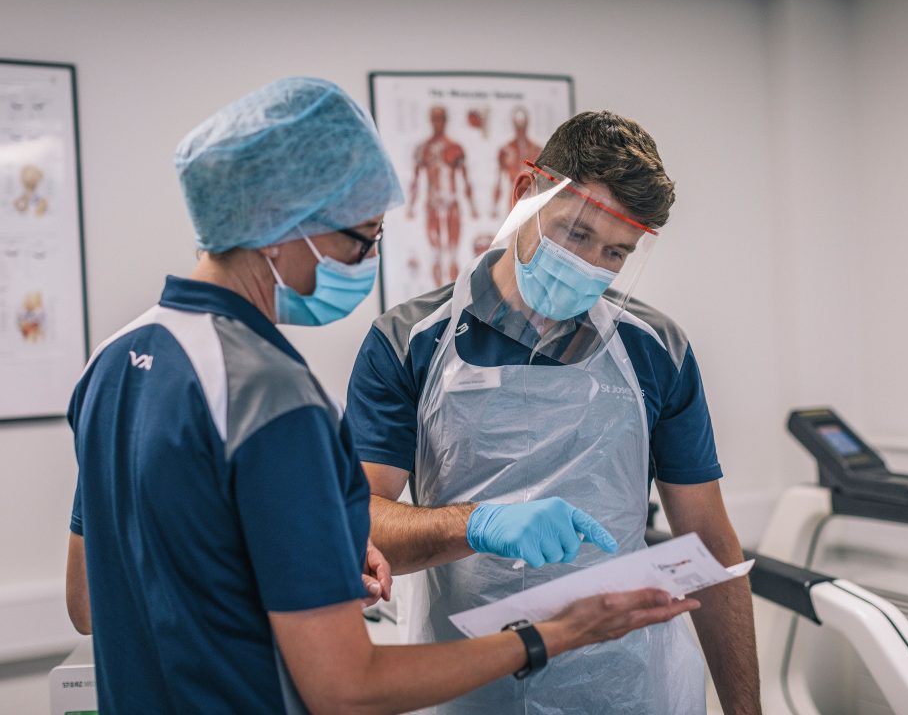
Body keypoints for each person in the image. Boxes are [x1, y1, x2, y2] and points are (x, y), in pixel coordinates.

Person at [64, 78, 698, 714]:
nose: (363, 262)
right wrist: (557, 634)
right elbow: (347, 687)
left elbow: (89, 602)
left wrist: (296, 553)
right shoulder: (273, 394)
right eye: (361, 239)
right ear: (284, 223)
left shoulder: (116, 360)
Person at [346, 111, 762, 714]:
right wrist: (476, 524)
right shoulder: (410, 341)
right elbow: (360, 525)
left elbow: (711, 541)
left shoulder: (655, 349)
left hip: (622, 684)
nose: (590, 264)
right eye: (575, 234)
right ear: (526, 194)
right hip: (467, 679)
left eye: (616, 253)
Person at [405, 105, 478, 286]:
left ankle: (453, 297)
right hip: (432, 203)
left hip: (452, 201)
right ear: (431, 121)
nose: (438, 123)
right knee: (436, 254)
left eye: (441, 119)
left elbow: (465, 178)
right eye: (435, 119)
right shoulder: (423, 149)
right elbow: (415, 180)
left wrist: (473, 207)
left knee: (453, 253)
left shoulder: (455, 148)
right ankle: (438, 297)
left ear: (446, 121)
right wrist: (411, 207)